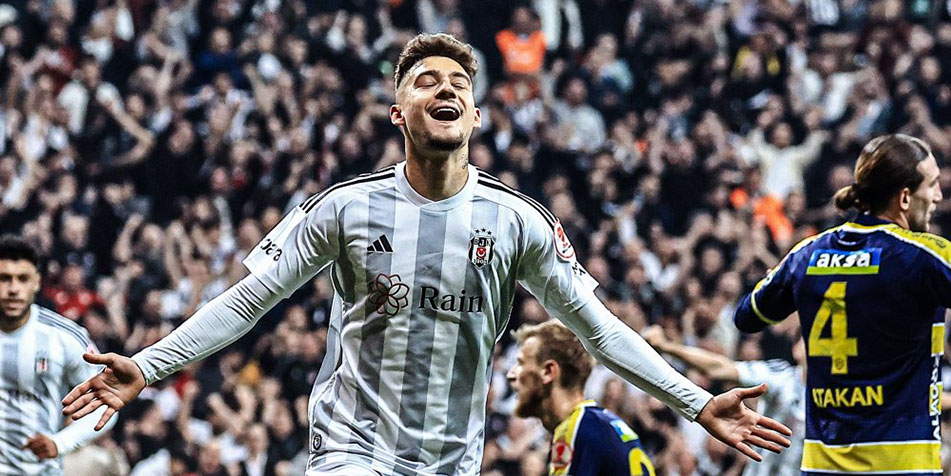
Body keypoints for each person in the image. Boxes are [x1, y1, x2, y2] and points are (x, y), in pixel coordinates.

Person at [63, 33, 790, 476]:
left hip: (450, 461)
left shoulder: (518, 221)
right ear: (397, 113)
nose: (445, 89)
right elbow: (249, 299)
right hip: (351, 450)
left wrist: (698, 404)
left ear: (475, 116)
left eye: (459, 84)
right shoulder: (343, 207)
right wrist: (149, 365)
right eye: (426, 81)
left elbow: (598, 330)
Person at [734, 134, 946, 475]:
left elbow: (747, 316)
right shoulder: (924, 256)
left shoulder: (807, 253)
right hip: (901, 464)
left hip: (823, 466)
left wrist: (790, 274)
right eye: (932, 185)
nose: (938, 197)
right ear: (905, 198)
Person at [0, 235, 116, 474]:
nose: (13, 289)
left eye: (23, 279)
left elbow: (107, 401)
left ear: (36, 282)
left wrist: (60, 442)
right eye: (4, 279)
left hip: (38, 471)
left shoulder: (65, 337)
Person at [642, 326, 805, 476]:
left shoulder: (821, 398)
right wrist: (666, 346)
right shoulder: (782, 378)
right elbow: (719, 368)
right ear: (796, 348)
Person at [507, 320, 656, 476]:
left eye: (521, 363)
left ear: (549, 371)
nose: (511, 374)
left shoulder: (574, 430)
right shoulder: (601, 422)